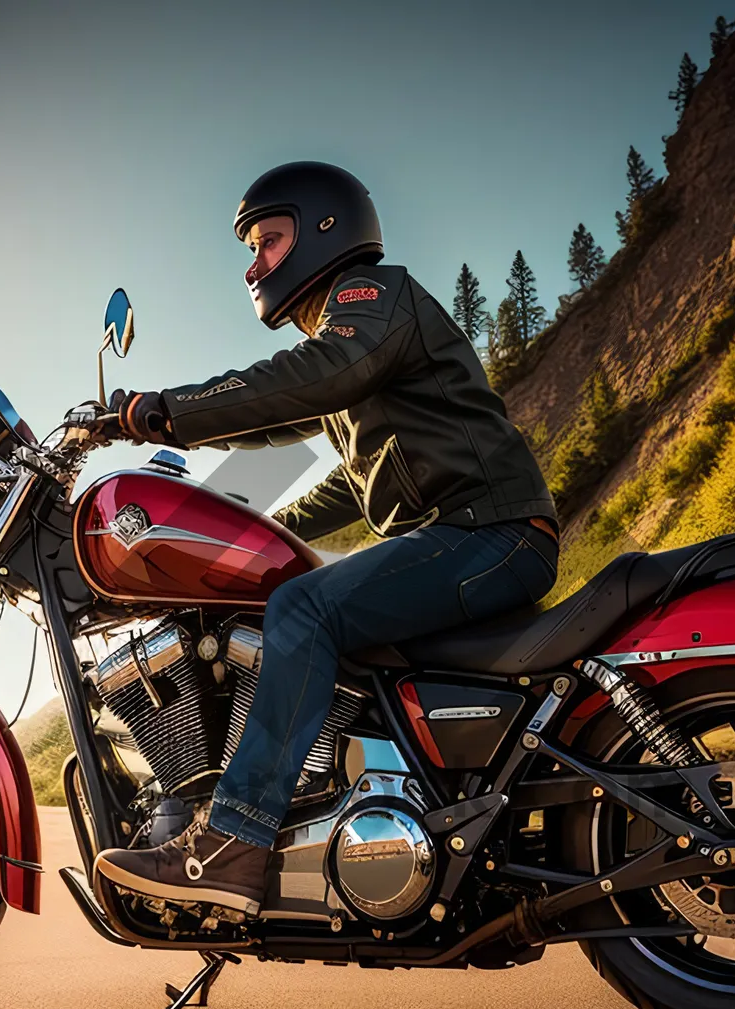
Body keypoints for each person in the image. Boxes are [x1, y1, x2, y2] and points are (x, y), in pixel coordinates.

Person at [93, 161, 558, 916]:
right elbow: (330, 455)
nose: (254, 263)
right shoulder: (357, 347)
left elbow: (309, 378)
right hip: (464, 538)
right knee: (295, 596)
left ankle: (234, 843)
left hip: (489, 533)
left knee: (304, 611)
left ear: (322, 232)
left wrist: (162, 409)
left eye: (268, 240)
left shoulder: (372, 301)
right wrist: (248, 524)